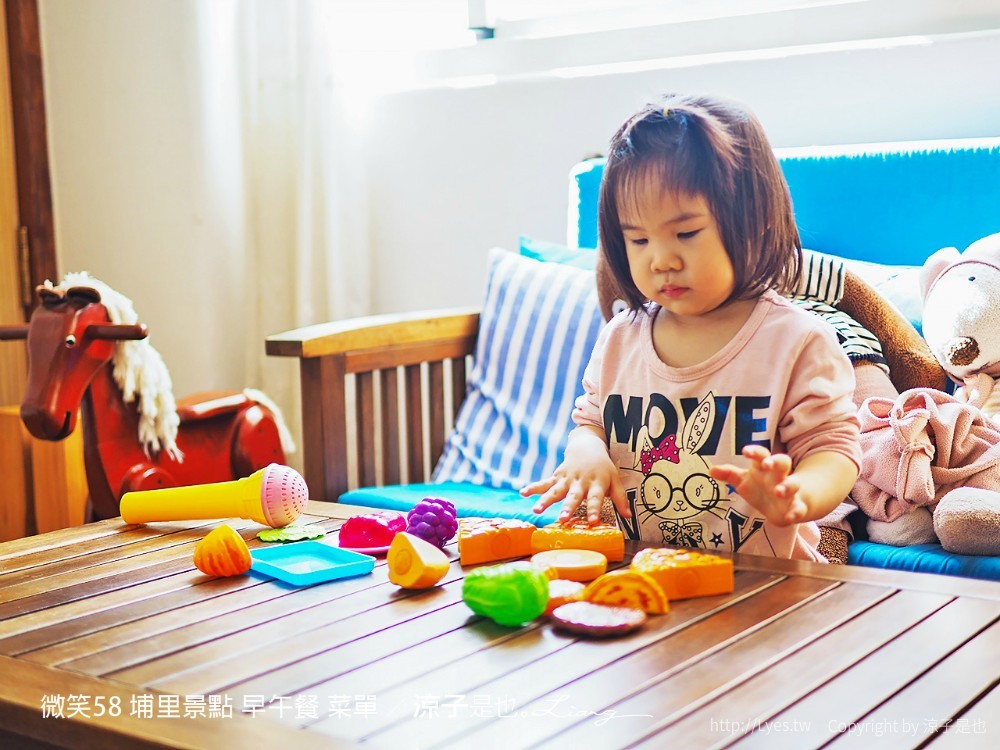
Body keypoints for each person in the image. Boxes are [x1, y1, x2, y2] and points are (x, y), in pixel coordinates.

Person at [521, 93, 862, 561]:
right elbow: (590, 424)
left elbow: (835, 450)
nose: (661, 259)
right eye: (638, 238)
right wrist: (585, 451)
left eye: (686, 233)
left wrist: (798, 495)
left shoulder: (795, 340)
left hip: (763, 593)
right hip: (643, 581)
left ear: (756, 221)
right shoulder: (621, 337)